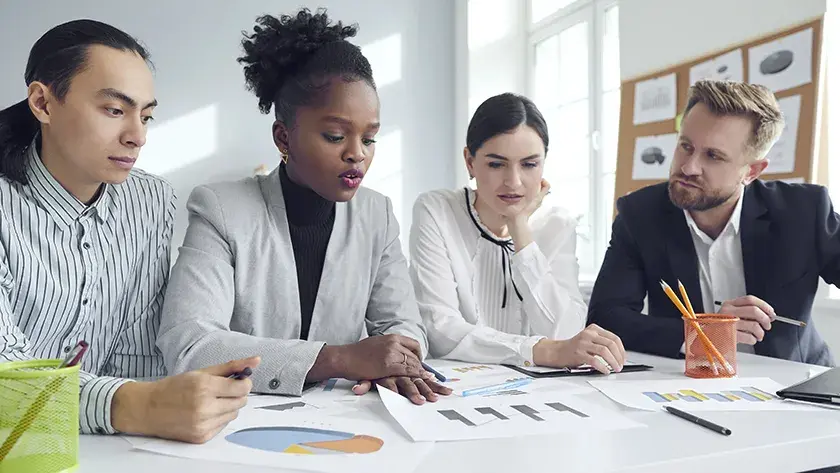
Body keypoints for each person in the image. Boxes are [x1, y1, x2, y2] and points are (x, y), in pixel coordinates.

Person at [156, 8, 451, 405]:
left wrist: (398, 361)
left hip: (346, 424)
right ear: (283, 138)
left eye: (369, 139)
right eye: (334, 136)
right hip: (239, 422)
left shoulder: (376, 214)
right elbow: (190, 345)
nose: (356, 155)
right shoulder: (221, 209)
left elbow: (403, 323)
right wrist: (341, 358)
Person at [0, 19, 259, 443]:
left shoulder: (151, 201)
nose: (137, 136)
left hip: (104, 447)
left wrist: (167, 398)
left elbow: (137, 355)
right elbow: (5, 383)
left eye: (147, 116)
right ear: (43, 103)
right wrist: (138, 405)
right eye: (115, 110)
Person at [588, 79, 836, 367]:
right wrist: (703, 333)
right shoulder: (640, 214)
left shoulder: (803, 210)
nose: (688, 167)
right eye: (686, 146)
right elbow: (605, 319)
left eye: (713, 156)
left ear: (752, 171)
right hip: (688, 384)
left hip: (794, 384)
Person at [408, 93, 626, 374]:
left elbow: (567, 333)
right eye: (496, 164)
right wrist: (540, 350)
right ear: (470, 162)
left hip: (539, 391)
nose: (513, 182)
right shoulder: (436, 210)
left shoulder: (558, 224)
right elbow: (439, 330)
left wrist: (520, 228)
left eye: (529, 164)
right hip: (456, 385)